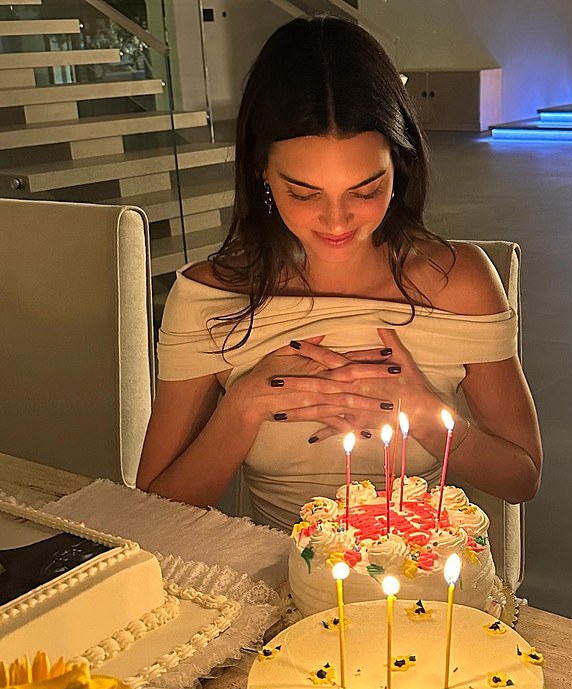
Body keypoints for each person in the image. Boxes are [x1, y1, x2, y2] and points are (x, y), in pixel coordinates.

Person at [136, 16, 542, 532]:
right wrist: (242, 408)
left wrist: (427, 418)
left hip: (414, 590)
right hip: (267, 588)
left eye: (366, 190)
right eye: (303, 193)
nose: (336, 221)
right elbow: (150, 512)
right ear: (261, 172)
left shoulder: (458, 284)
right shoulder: (210, 297)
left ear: (399, 166)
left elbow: (522, 478)